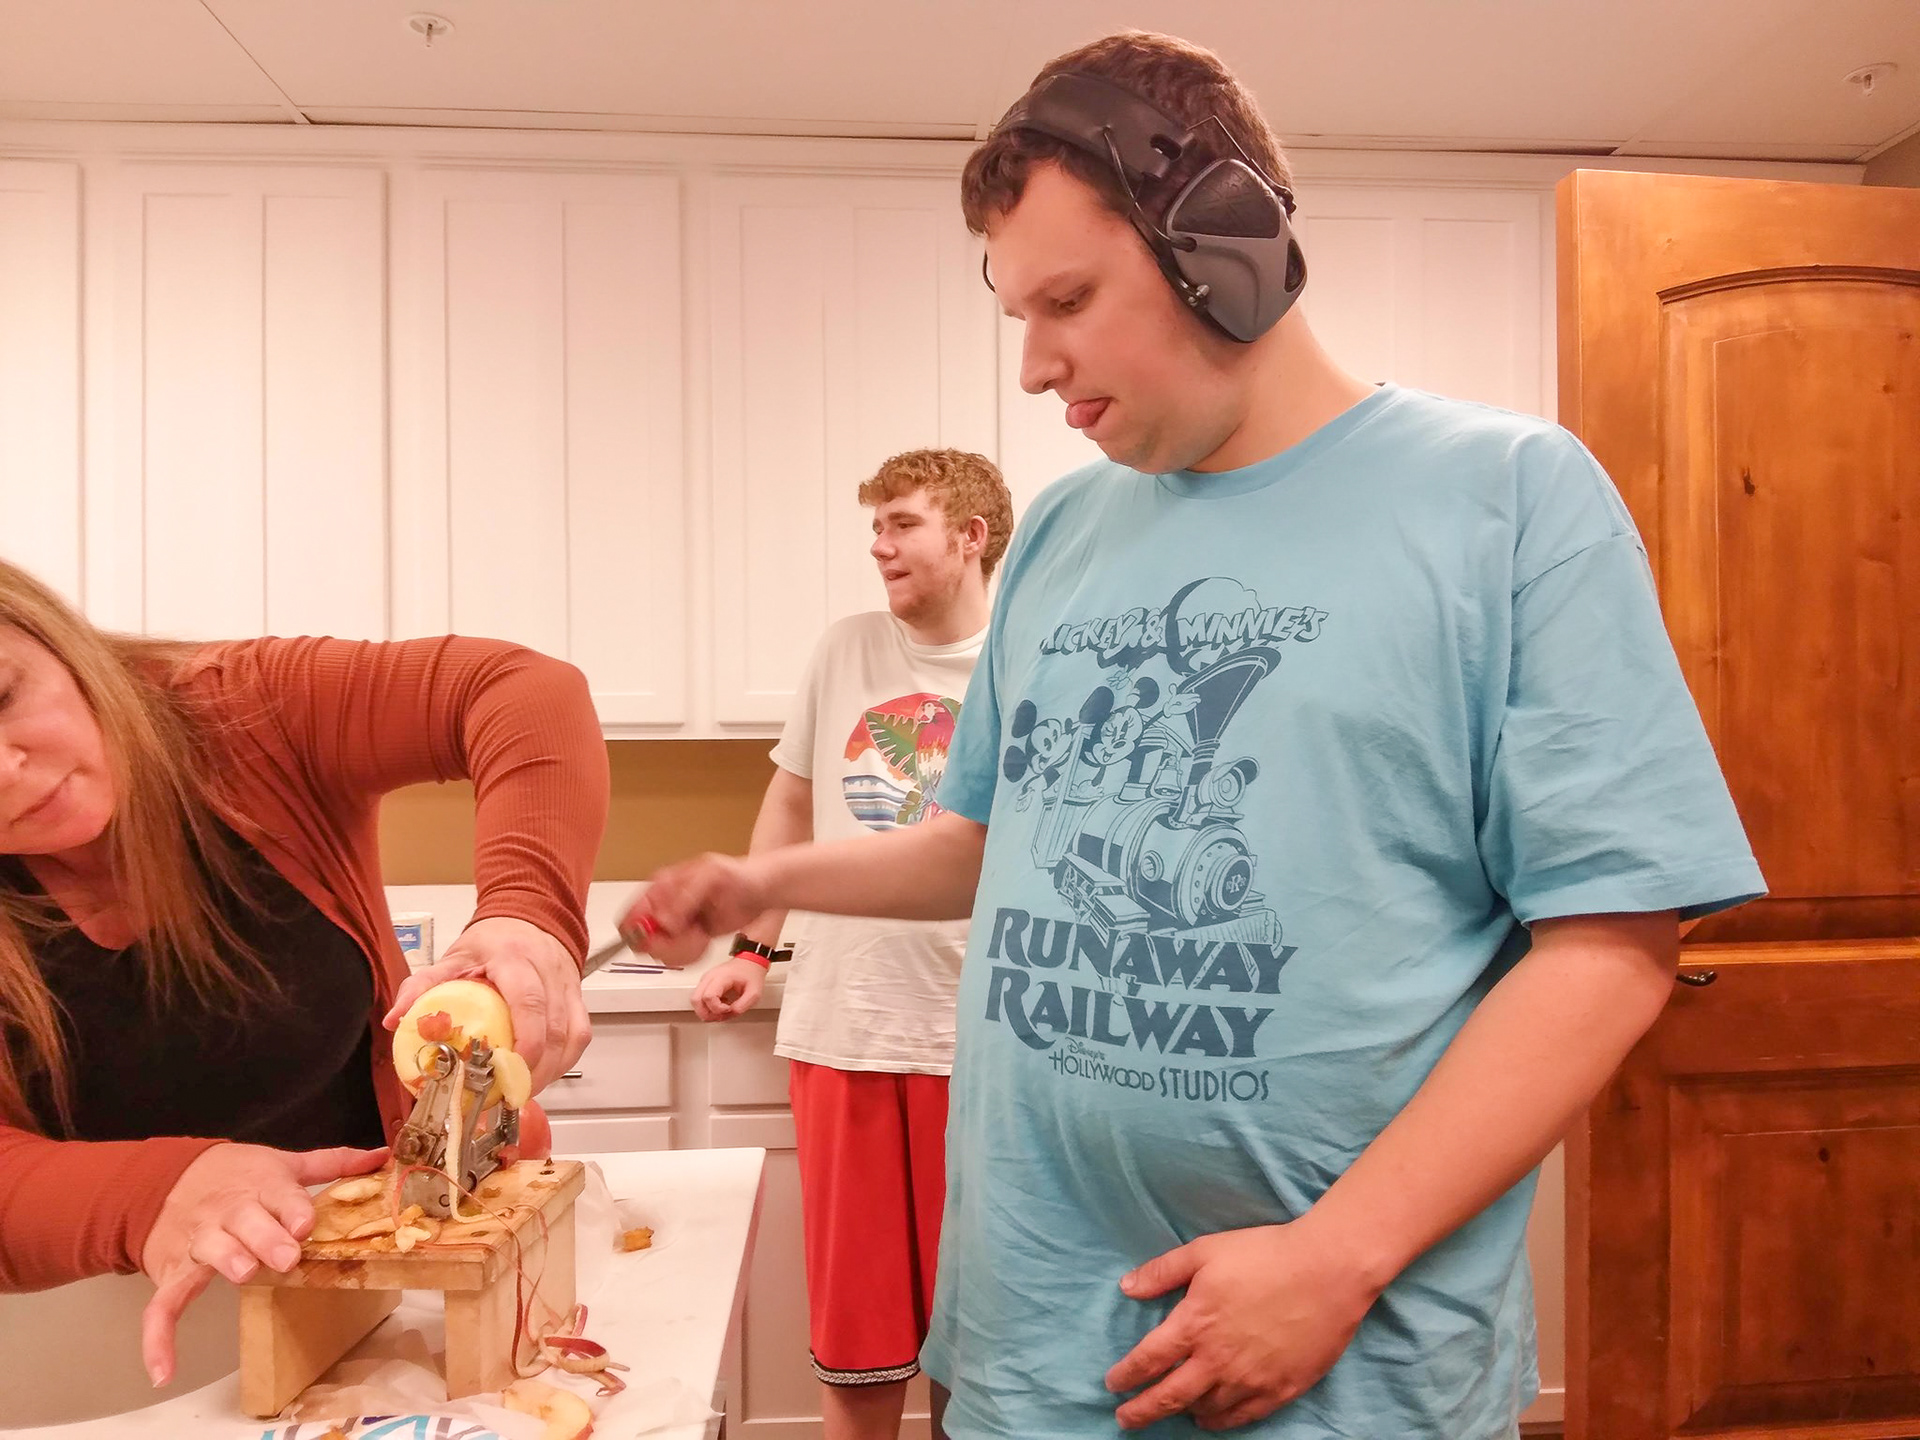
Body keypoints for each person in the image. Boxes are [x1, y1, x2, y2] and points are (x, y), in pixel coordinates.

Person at [622, 29, 1766, 1440]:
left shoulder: (1509, 499)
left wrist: (1334, 1259)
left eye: (1069, 300)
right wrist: (764, 884)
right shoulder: (1063, 534)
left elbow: (1613, 943)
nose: (1035, 366)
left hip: (1340, 1365)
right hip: (1028, 1342)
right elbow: (985, 843)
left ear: (1230, 246)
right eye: (1017, 315)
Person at [0, 557, 608, 1390]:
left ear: (56, 639)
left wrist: (527, 909)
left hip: (374, 1295)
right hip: (89, 1342)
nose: (5, 770)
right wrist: (154, 1192)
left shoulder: (242, 713)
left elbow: (520, 690)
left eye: (3, 697)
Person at [689, 448, 1011, 1440]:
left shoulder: (1025, 658)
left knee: (982, 1335)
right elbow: (791, 803)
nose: (879, 546)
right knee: (856, 1326)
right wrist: (750, 949)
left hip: (985, 1042)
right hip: (846, 1029)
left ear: (971, 536)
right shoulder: (845, 650)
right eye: (875, 526)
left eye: (903, 524)